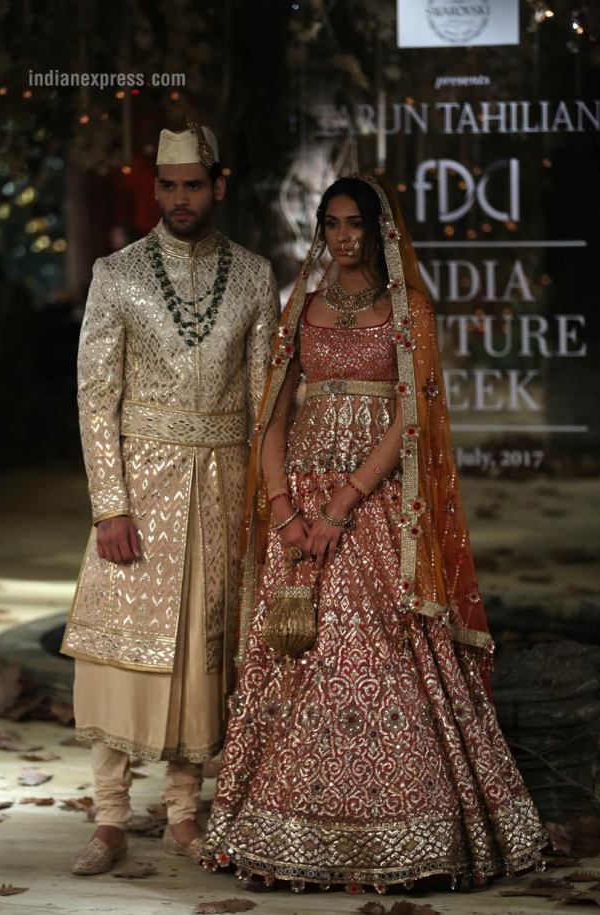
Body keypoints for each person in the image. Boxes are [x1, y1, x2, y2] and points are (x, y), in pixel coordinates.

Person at [202, 175, 546, 892]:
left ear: (379, 229)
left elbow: (410, 418)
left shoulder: (408, 309)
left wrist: (343, 503)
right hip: (301, 508)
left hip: (377, 506)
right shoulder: (302, 307)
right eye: (332, 224)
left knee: (384, 648)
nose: (344, 237)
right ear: (321, 231)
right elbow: (273, 417)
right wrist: (283, 508)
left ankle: (408, 832)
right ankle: (284, 830)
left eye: (355, 223)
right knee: (298, 655)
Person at [61, 123, 280, 875]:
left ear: (219, 186)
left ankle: (184, 812)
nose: (180, 198)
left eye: (193, 185)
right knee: (121, 650)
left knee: (201, 650)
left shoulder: (253, 276)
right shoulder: (116, 273)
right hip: (139, 486)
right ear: (156, 188)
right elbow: (96, 396)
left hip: (223, 487)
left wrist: (266, 501)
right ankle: (110, 817)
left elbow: (264, 402)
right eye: (169, 185)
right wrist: (109, 504)